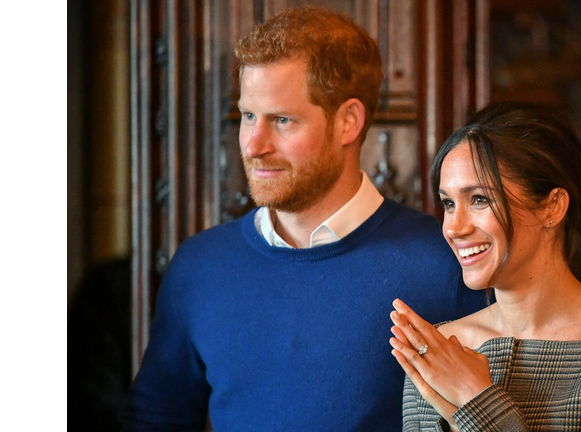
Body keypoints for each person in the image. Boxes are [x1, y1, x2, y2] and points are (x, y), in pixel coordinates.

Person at [121, 6, 483, 431]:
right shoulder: (200, 266)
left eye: (282, 120)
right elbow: (154, 419)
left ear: (348, 121)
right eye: (247, 116)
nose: (254, 145)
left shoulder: (446, 264)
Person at [388, 104, 581, 431]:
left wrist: (476, 397)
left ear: (552, 207)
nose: (454, 228)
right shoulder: (439, 347)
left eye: (479, 199)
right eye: (448, 204)